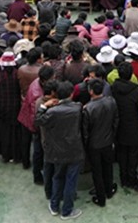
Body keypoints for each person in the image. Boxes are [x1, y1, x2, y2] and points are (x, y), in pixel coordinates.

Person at [36, 81, 84, 220]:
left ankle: (54, 206)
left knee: (57, 177)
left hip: (57, 151)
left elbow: (38, 120)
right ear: (71, 94)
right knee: (71, 181)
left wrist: (44, 106)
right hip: (74, 150)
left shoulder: (52, 112)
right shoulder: (77, 108)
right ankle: (67, 211)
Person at [82, 79, 118, 207]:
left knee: (97, 171)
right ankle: (109, 190)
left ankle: (100, 197)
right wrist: (112, 136)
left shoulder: (88, 108)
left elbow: (85, 131)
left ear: (91, 91)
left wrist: (86, 145)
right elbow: (116, 120)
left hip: (94, 145)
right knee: (108, 167)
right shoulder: (111, 101)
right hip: (108, 141)